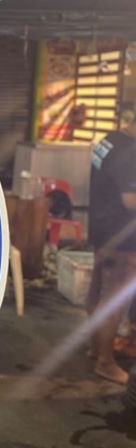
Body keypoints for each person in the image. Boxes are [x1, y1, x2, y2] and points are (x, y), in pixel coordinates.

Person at [85, 113, 136, 385]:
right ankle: (105, 362)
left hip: (101, 227)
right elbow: (131, 200)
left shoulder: (109, 140)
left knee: (97, 290)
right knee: (115, 299)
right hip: (123, 236)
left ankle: (96, 348)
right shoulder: (130, 153)